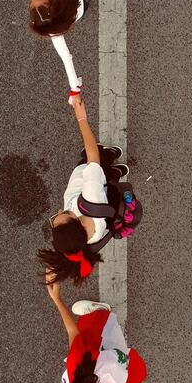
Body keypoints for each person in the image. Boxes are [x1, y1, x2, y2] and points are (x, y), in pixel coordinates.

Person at [37, 95, 128, 285]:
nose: (59, 211)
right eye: (65, 214)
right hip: (89, 175)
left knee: (103, 171)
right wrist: (81, 117)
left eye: (55, 217)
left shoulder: (84, 240)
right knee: (97, 156)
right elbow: (92, 156)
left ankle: (115, 169)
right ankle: (111, 158)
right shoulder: (91, 199)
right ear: (76, 221)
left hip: (97, 185)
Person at [45, 280, 147, 383]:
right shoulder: (77, 363)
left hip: (125, 367)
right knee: (90, 332)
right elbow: (73, 333)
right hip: (104, 350)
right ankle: (100, 311)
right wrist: (57, 299)